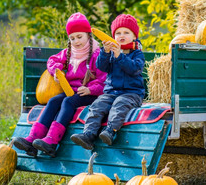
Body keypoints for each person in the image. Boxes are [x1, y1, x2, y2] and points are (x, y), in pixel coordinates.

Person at [13, 12, 106, 157]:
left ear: (88, 35)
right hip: (72, 91)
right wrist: (56, 71)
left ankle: (52, 141)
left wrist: (89, 89)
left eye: (79, 37)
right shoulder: (69, 53)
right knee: (53, 101)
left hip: (91, 94)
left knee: (68, 102)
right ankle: (32, 139)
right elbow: (51, 60)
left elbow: (104, 81)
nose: (76, 41)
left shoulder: (97, 54)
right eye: (72, 38)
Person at [70, 14, 145, 150]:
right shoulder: (110, 52)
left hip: (131, 93)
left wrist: (120, 56)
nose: (121, 35)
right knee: (97, 105)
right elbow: (101, 67)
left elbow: (134, 69)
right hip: (111, 92)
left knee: (119, 105)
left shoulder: (137, 53)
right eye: (118, 33)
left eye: (126, 32)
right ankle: (88, 135)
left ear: (134, 36)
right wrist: (105, 52)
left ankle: (111, 131)